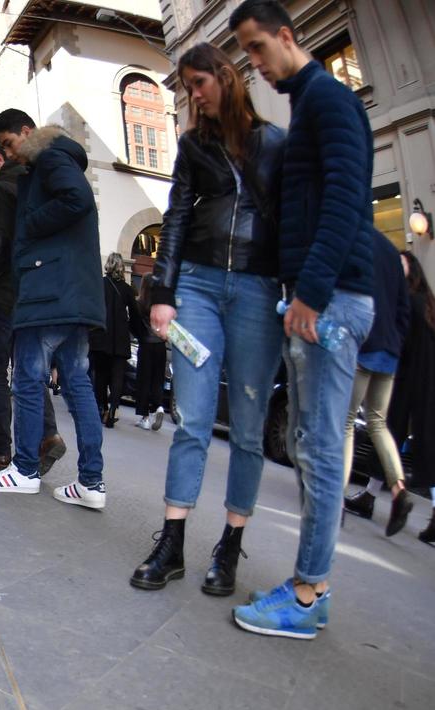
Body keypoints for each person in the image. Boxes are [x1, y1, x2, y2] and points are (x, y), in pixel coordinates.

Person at [230, 0, 378, 639]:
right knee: (309, 444)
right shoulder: (310, 104)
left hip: (332, 300)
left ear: (287, 37)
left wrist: (311, 294)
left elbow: (349, 197)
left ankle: (309, 592)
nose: (255, 65)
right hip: (322, 297)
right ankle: (312, 584)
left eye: (258, 49)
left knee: (317, 448)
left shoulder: (326, 100)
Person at [129, 41, 286, 594]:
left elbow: (290, 224)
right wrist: (163, 291)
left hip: (259, 290)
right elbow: (175, 217)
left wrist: (294, 294)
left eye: (198, 83)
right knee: (192, 419)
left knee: (247, 429)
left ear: (224, 76)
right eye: (186, 87)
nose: (192, 95)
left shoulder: (274, 144)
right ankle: (172, 541)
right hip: (196, 284)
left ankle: (231, 545)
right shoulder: (194, 145)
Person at [0, 109, 107, 508]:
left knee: (29, 379)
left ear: (26, 132)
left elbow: (77, 199)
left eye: (9, 143)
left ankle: (26, 469)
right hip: (73, 291)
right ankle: (91, 483)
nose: (9, 154)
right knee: (77, 384)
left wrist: (27, 225)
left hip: (48, 289)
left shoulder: (49, 157)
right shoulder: (56, 159)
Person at [0, 139, 66, 473]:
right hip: (30, 292)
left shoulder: (0, 191)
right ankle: (47, 434)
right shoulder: (33, 185)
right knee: (28, 369)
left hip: (1, 294)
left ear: (0, 157)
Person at [341, 233, 412, 535]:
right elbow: (403, 308)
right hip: (389, 350)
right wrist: (395, 341)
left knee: (345, 423)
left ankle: (336, 500)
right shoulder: (390, 251)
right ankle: (398, 489)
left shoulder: (354, 241)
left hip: (364, 342)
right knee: (378, 423)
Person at [387, 250, 435, 544]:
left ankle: (370, 494)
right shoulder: (428, 303)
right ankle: (368, 493)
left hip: (411, 379)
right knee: (423, 444)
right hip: (427, 381)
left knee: (388, 432)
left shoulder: (409, 301)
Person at [91, 254, 140, 428]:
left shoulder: (100, 285)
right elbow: (135, 315)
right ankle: (113, 407)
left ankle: (101, 407)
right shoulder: (127, 290)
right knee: (118, 375)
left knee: (101, 375)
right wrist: (139, 333)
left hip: (101, 336)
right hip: (120, 339)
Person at [132, 274, 170, 430]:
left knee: (144, 380)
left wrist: (139, 336)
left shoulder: (139, 304)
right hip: (160, 345)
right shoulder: (160, 305)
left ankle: (145, 417)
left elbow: (134, 324)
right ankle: (159, 406)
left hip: (146, 345)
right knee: (157, 379)